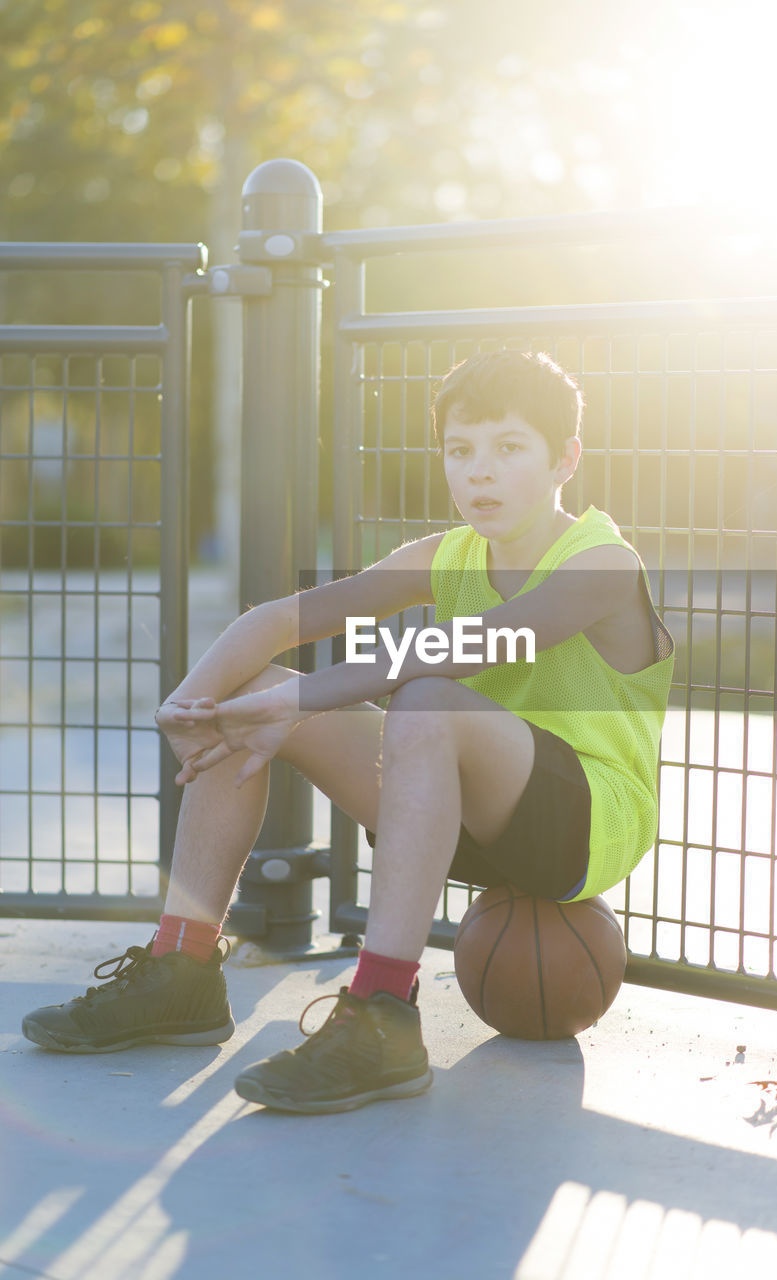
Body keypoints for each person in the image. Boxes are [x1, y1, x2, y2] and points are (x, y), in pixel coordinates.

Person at [22, 350, 674, 1113]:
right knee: (254, 687)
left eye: (508, 448)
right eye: (460, 451)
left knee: (424, 698)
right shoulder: (448, 554)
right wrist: (193, 706)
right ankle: (183, 970)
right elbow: (272, 623)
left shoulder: (600, 561)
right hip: (463, 805)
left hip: (586, 823)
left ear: (565, 459)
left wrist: (301, 705)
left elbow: (467, 646)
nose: (480, 473)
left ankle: (380, 1016)